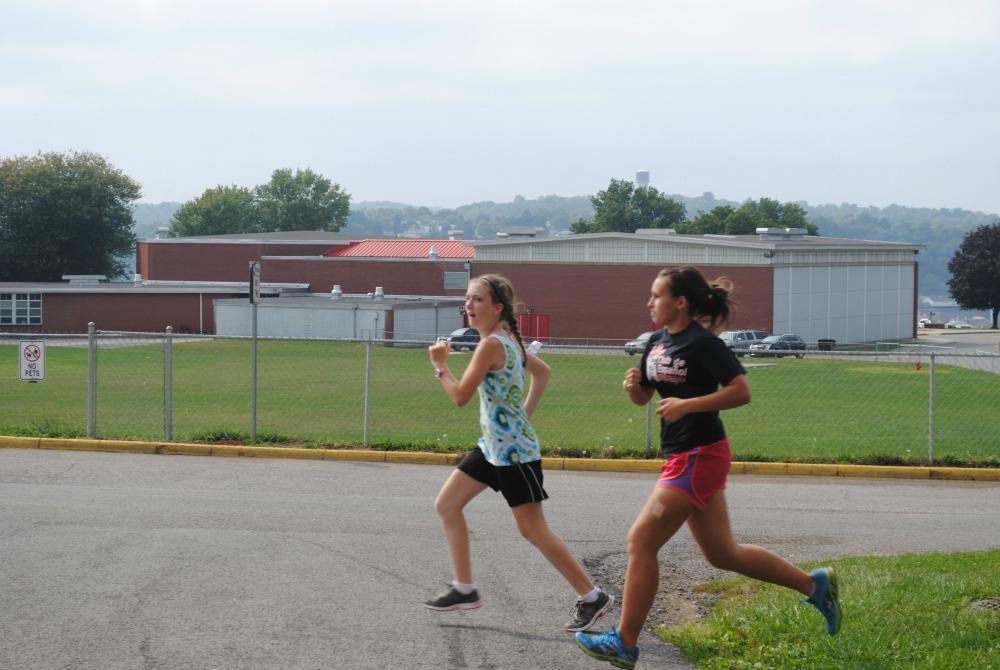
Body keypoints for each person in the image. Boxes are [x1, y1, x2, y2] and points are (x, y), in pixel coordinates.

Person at [575, 267, 841, 668]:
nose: (649, 303)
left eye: (656, 296)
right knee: (722, 554)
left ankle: (625, 643)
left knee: (641, 541)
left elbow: (741, 391)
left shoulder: (703, 343)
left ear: (680, 301)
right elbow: (644, 398)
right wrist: (634, 388)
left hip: (700, 455)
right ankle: (814, 584)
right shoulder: (656, 342)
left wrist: (689, 405)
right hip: (682, 455)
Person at [423, 274, 613, 632]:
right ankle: (465, 588)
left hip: (515, 456)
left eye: (478, 300)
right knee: (447, 505)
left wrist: (440, 366)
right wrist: (522, 417)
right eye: (467, 299)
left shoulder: (492, 345)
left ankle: (593, 597)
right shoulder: (507, 339)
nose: (469, 306)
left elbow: (460, 396)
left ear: (497, 308)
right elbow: (542, 373)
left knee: (534, 531)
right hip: (492, 449)